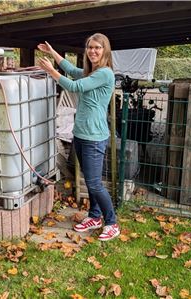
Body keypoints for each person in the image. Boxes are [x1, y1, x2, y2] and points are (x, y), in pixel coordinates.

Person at [37, 33, 119, 241]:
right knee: (90, 182)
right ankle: (94, 216)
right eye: (90, 47)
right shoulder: (91, 72)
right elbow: (72, 71)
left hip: (94, 137)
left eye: (97, 48)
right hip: (81, 135)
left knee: (94, 184)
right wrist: (53, 52)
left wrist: (51, 71)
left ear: (105, 51)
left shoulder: (105, 74)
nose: (93, 51)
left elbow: (74, 86)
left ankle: (112, 223)